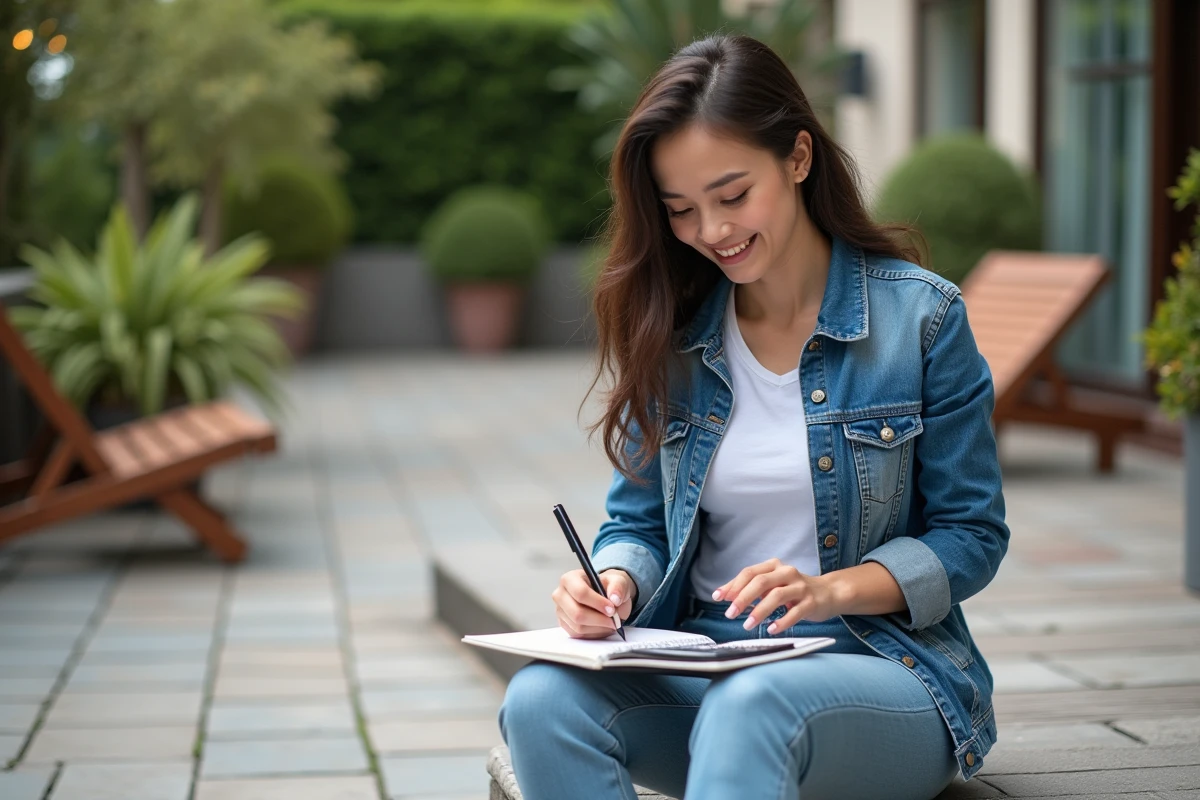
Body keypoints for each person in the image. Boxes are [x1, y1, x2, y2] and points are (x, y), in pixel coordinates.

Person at [498, 33, 1008, 800]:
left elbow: (972, 536)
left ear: (798, 157)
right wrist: (610, 584)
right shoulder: (673, 336)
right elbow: (636, 524)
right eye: (681, 210)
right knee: (539, 700)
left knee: (753, 704)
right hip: (709, 664)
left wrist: (832, 589)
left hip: (884, 675)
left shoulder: (920, 320)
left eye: (733, 196)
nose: (712, 231)